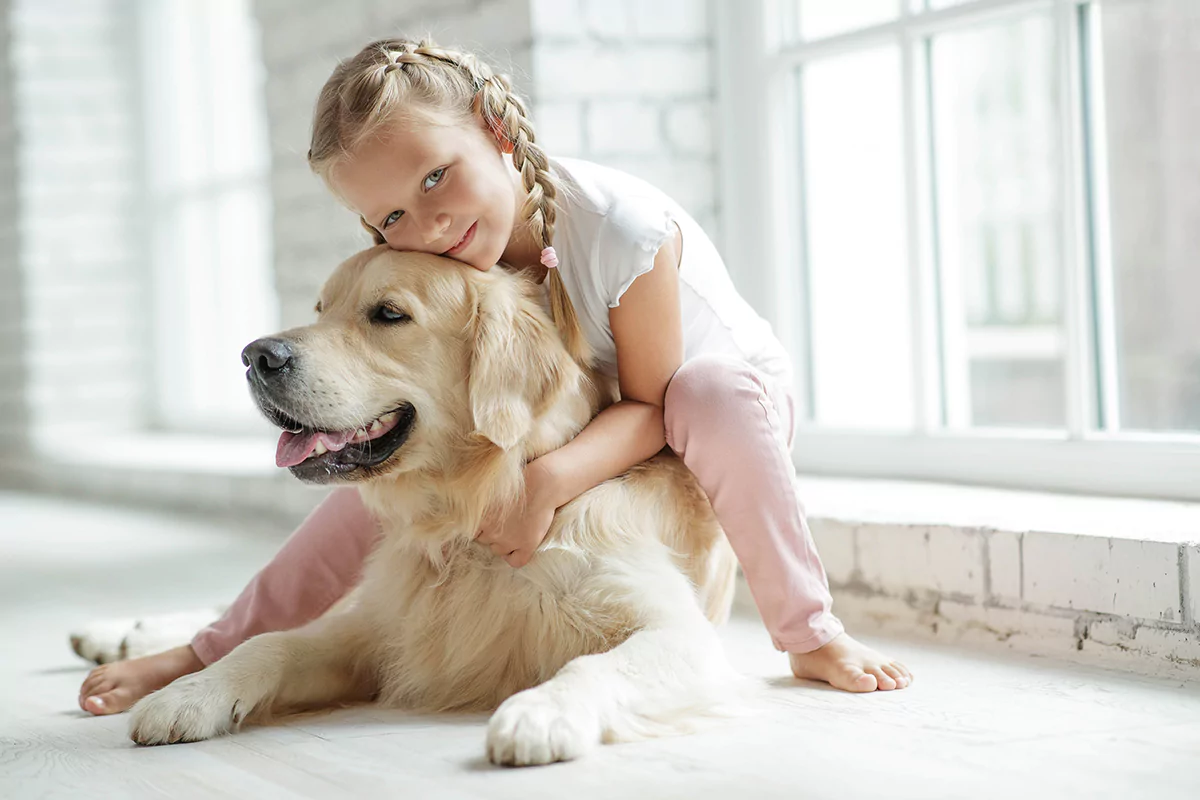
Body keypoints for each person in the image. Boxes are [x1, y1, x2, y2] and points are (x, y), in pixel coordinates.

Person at [78, 37, 911, 716]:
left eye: (435, 177)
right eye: (391, 216)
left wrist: (544, 485)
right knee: (384, 488)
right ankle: (211, 647)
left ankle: (811, 634)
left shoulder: (620, 229)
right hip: (573, 418)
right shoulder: (455, 259)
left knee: (709, 393)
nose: (429, 220)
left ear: (497, 128)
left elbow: (652, 406)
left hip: (705, 418)